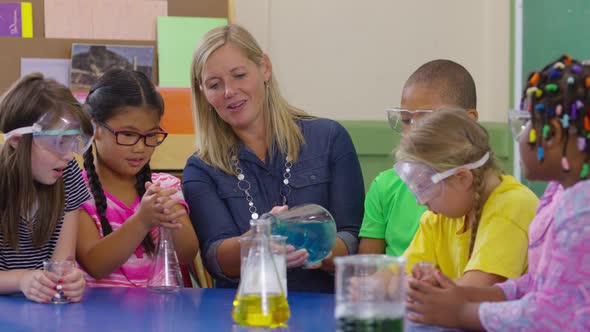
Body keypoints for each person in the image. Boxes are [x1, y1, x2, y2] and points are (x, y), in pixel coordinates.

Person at [406, 55, 590, 331]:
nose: (520, 136)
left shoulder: (582, 210)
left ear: (551, 136)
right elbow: (537, 284)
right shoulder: (558, 194)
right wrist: (463, 296)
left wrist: (463, 313)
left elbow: (551, 314)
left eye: (526, 124)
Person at [183, 24, 365, 293]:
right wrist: (259, 241)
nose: (228, 91)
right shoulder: (201, 168)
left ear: (265, 68)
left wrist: (315, 249)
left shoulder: (330, 138)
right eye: (214, 85)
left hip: (324, 308)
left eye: (239, 75)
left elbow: (353, 237)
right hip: (246, 311)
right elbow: (215, 256)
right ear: (203, 93)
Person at [76, 69, 199, 287]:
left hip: (162, 316)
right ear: (94, 129)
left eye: (150, 136)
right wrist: (142, 220)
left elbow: (187, 254)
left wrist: (170, 218)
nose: (140, 148)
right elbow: (95, 264)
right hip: (100, 317)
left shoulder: (165, 186)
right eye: (128, 135)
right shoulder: (76, 190)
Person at [396, 109, 538, 287]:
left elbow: (477, 291)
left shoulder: (512, 207)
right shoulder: (438, 218)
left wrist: (424, 287)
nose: (421, 201)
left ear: (462, 178)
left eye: (427, 188)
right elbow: (397, 275)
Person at [359, 59, 479, 256]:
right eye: (406, 120)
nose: (413, 132)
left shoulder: (474, 196)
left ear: (468, 121)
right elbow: (370, 265)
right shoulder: (385, 185)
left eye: (428, 120)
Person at [0, 73, 93, 302]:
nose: (68, 156)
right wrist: (22, 280)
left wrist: (68, 280)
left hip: (39, 308)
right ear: (17, 140)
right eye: (57, 143)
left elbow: (62, 263)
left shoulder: (67, 175)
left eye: (72, 143)